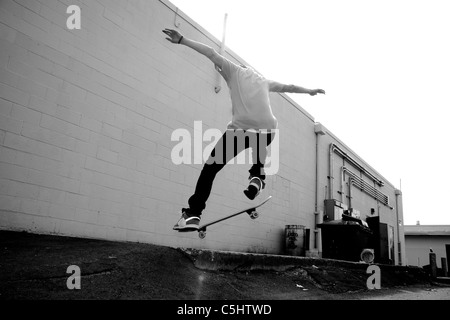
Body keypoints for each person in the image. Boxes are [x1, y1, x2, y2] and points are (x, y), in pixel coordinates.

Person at [162, 28, 325, 232]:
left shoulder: (233, 70)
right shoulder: (263, 80)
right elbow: (288, 86)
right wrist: (309, 91)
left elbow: (211, 52)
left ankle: (194, 213)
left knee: (210, 168)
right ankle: (257, 177)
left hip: (240, 129)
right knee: (260, 144)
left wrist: (182, 40)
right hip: (267, 129)